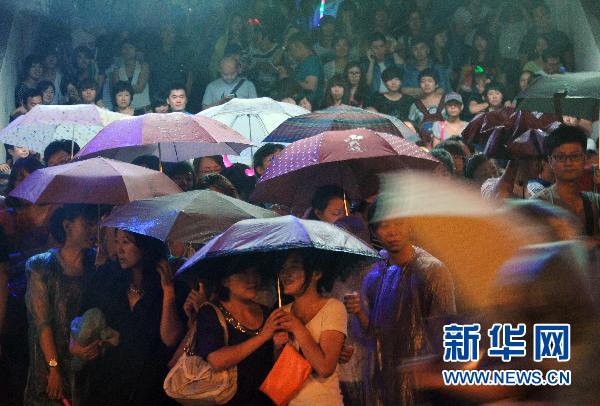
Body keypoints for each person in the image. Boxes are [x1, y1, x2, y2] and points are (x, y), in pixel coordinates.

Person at [355, 201, 456, 405]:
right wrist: (358, 312)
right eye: (384, 225)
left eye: (398, 223)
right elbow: (369, 334)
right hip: (383, 379)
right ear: (374, 232)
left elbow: (446, 332)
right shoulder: (375, 272)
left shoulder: (432, 271)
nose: (392, 232)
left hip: (422, 381)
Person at [78, 230, 185, 405]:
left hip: (150, 385)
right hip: (110, 382)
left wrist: (168, 291)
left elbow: (170, 338)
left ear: (145, 246)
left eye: (126, 242)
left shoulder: (172, 285)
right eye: (116, 241)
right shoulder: (110, 279)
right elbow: (84, 316)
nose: (119, 249)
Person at [23, 204, 98, 405]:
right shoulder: (41, 265)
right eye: (88, 224)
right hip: (51, 364)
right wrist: (53, 367)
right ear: (67, 226)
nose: (94, 230)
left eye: (96, 224)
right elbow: (42, 324)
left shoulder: (96, 264)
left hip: (85, 363)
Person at [195, 256, 288, 405]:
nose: (252, 279)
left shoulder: (267, 313)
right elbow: (217, 360)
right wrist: (263, 336)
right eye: (243, 273)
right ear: (225, 280)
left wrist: (278, 347)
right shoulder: (211, 312)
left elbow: (274, 365)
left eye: (255, 272)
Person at [278, 250, 347, 405]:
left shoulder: (333, 308)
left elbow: (324, 368)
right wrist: (277, 346)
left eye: (294, 267)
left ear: (316, 273)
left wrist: (298, 328)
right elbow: (280, 370)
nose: (285, 274)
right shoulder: (283, 312)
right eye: (283, 268)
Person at [532, 125, 600, 240]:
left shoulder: (596, 202)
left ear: (584, 159)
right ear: (550, 161)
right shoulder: (537, 206)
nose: (568, 163)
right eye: (560, 157)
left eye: (575, 156)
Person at [519, 2, 574, 72]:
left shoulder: (561, 36)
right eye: (537, 16)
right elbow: (524, 66)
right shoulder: (527, 39)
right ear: (533, 19)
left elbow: (569, 64)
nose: (541, 18)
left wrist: (560, 73)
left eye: (543, 14)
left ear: (549, 15)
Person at [148, 25, 193, 101]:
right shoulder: (153, 53)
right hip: (158, 96)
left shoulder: (182, 53)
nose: (168, 34)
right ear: (161, 34)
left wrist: (186, 93)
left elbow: (189, 74)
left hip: (177, 96)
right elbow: (148, 74)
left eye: (171, 31)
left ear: (175, 34)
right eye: (165, 31)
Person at [282, 32, 323, 106]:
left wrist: (287, 79)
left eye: (291, 49)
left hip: (309, 106)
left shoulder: (312, 62)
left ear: (299, 46)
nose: (290, 53)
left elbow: (311, 86)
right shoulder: (304, 62)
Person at [112, 40, 151, 111]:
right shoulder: (117, 69)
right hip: (124, 112)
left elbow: (140, 88)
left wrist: (122, 89)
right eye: (124, 48)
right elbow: (116, 90)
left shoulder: (143, 66)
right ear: (121, 51)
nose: (127, 50)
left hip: (144, 110)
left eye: (131, 47)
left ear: (136, 50)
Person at [407, 68, 446, 141]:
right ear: (419, 85)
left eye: (430, 81)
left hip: (446, 143)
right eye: (423, 82)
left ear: (436, 84)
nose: (426, 84)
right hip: (424, 145)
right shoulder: (415, 105)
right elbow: (410, 127)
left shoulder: (447, 101)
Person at [248, 26, 283, 97]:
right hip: (258, 90)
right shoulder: (253, 50)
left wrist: (272, 69)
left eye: (258, 34)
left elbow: (284, 71)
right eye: (255, 34)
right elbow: (249, 69)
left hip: (276, 91)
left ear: (266, 36)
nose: (255, 36)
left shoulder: (279, 50)